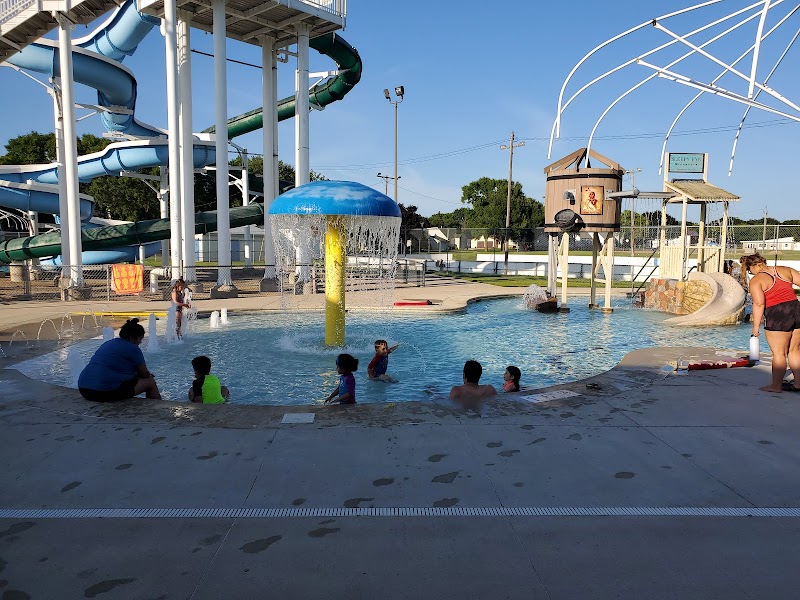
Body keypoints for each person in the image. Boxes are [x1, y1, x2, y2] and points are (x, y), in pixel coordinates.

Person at [740, 253, 800, 393]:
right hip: (796, 309)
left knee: (779, 353)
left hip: (778, 313)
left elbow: (759, 304)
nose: (751, 273)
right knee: (794, 350)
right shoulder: (785, 270)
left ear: (752, 266)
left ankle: (775, 386)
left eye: (749, 271)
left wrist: (755, 327)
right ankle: (798, 383)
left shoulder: (756, 280)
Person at [78, 318, 161, 402]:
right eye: (140, 339)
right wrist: (148, 375)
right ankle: (158, 410)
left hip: (84, 390)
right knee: (150, 382)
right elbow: (144, 374)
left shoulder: (109, 343)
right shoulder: (133, 348)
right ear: (132, 338)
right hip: (101, 393)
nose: (140, 342)